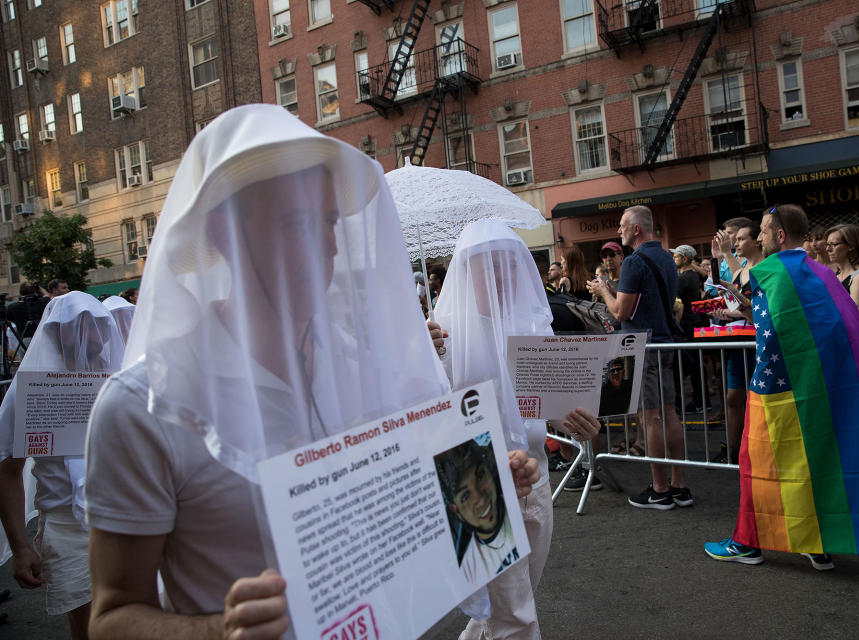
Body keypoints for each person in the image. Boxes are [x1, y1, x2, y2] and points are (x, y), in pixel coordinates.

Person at [84, 105, 542, 640]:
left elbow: (398, 521)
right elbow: (112, 614)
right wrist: (218, 631)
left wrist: (477, 483)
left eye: (328, 222)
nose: (326, 246)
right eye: (297, 222)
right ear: (225, 234)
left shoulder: (360, 365)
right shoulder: (144, 406)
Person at [705, 204, 859, 569]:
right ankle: (815, 543)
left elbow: (764, 314)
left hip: (780, 389)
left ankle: (748, 543)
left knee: (762, 463)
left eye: (765, 232)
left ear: (780, 236)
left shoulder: (776, 269)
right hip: (820, 388)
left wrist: (726, 260)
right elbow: (789, 318)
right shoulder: (820, 272)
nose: (761, 238)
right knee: (810, 463)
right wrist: (745, 313)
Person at [435, 218, 601, 640]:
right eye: (486, 264)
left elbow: (553, 411)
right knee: (515, 618)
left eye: (508, 263)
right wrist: (423, 355)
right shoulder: (443, 339)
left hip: (536, 481)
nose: (499, 275)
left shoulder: (533, 329)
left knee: (507, 605)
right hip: (479, 487)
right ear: (465, 270)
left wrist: (577, 422)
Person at [0, 291, 124, 640]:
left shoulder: (118, 381)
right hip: (66, 524)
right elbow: (7, 468)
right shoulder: (30, 390)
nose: (91, 337)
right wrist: (21, 547)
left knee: (131, 617)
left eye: (98, 326)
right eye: (78, 327)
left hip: (121, 515)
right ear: (55, 332)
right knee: (87, 627)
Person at [587, 206, 693, 511]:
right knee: (670, 414)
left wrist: (604, 290)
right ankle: (679, 485)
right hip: (665, 343)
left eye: (622, 226)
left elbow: (620, 312)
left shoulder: (633, 262)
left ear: (636, 229)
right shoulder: (666, 257)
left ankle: (660, 489)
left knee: (652, 418)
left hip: (644, 347)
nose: (618, 231)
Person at [711, 220, 763, 461]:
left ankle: (756, 450)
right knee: (734, 397)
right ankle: (734, 451)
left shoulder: (762, 266)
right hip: (737, 338)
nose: (733, 241)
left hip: (759, 341)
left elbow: (749, 297)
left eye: (738, 237)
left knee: (758, 399)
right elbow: (722, 290)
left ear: (757, 240)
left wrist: (726, 255)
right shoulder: (732, 263)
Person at [437, 438, 518, 585]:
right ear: (456, 511)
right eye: (465, 496)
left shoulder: (519, 510)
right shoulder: (469, 569)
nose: (480, 500)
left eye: (480, 475)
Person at [671, 244, 708, 412]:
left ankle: (700, 402)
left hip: (687, 325)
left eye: (676, 256)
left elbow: (673, 300)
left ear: (685, 259)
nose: (674, 259)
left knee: (691, 365)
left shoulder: (684, 278)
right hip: (695, 323)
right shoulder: (693, 275)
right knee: (696, 365)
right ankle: (702, 401)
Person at [825, 224, 859, 304]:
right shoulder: (837, 275)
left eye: (834, 244)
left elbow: (854, 314)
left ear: (851, 246)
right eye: (827, 244)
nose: (828, 249)